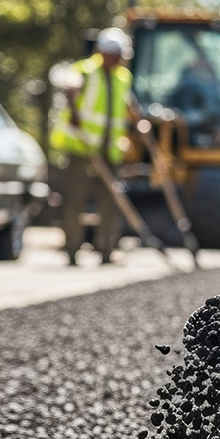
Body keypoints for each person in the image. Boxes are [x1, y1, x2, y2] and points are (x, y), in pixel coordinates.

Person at [50, 27, 140, 266]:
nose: (118, 58)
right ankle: (71, 252)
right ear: (103, 52)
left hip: (109, 151)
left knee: (111, 202)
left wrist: (139, 121)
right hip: (81, 148)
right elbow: (70, 85)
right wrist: (73, 108)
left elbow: (127, 104)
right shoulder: (85, 70)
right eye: (115, 53)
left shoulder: (122, 77)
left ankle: (107, 251)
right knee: (76, 201)